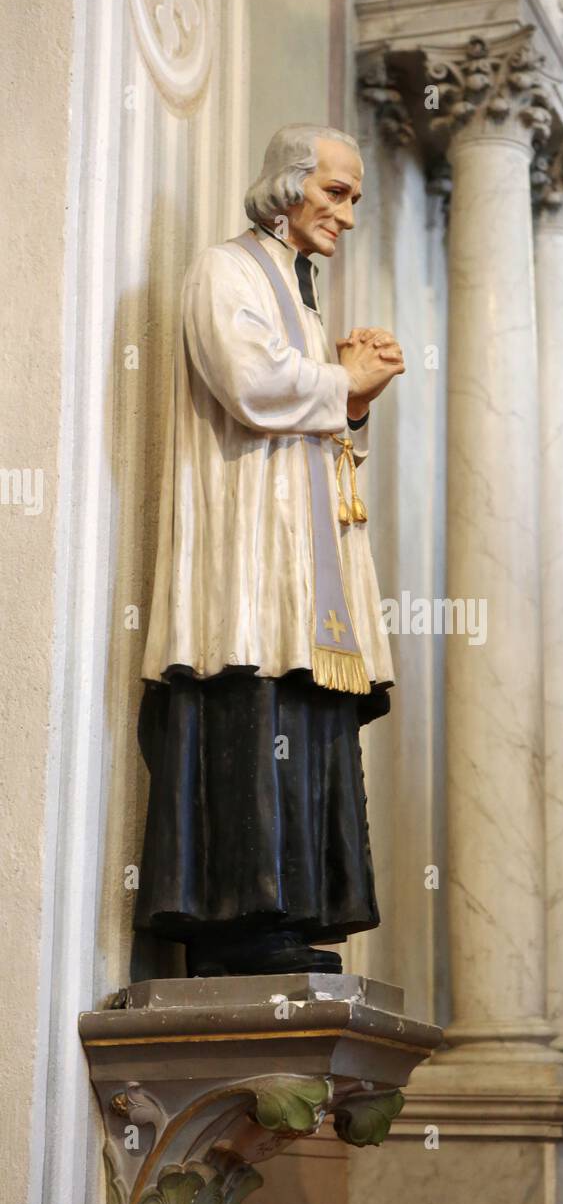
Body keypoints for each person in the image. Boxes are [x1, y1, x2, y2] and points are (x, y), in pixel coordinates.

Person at [134, 124, 403, 977]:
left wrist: (354, 404)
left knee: (311, 707)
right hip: (248, 559)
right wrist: (342, 381)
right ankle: (243, 914)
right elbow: (250, 385)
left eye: (355, 197)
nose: (347, 215)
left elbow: (319, 435)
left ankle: (302, 907)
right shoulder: (227, 271)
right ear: (288, 186)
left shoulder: (302, 296)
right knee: (258, 701)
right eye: (336, 192)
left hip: (305, 561)